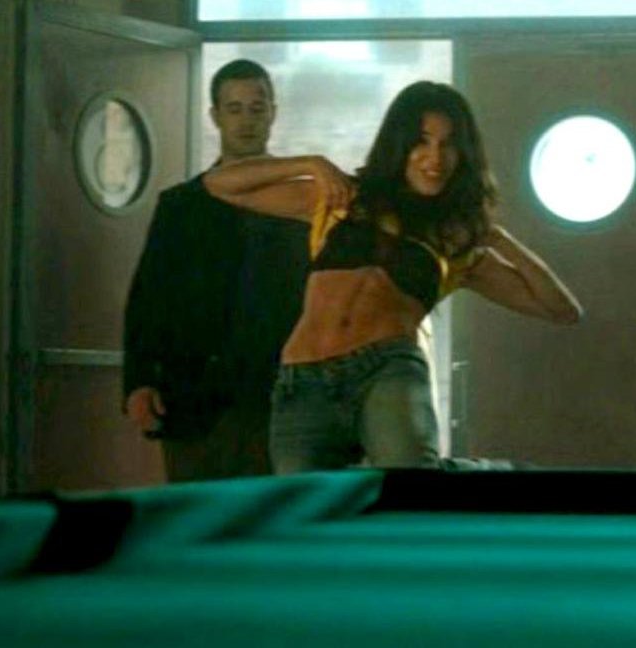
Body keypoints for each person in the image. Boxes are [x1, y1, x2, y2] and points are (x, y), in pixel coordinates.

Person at [203, 81, 583, 474]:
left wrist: (500, 240)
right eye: (422, 142)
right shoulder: (342, 198)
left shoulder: (456, 243)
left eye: (449, 145)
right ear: (400, 144)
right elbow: (219, 184)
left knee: (409, 491)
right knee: (312, 505)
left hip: (385, 371)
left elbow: (563, 310)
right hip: (302, 380)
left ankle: (487, 474)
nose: (435, 158)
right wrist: (310, 164)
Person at [122, 59, 348, 481]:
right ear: (215, 116)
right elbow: (149, 295)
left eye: (256, 108)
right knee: (196, 510)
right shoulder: (182, 205)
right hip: (193, 392)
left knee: (275, 510)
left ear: (273, 113)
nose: (246, 121)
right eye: (234, 108)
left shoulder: (305, 205)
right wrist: (139, 381)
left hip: (279, 390)